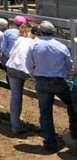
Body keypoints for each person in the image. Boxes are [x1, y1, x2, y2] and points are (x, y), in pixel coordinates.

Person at [26, 21, 77, 153]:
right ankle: (73, 133)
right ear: (53, 31)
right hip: (58, 80)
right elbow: (69, 65)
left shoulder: (34, 46)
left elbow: (29, 64)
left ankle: (49, 143)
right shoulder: (61, 47)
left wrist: (35, 76)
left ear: (41, 32)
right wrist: (65, 75)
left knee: (45, 112)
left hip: (41, 80)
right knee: (72, 104)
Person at [5, 23, 34, 135]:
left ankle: (15, 125)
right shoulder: (34, 42)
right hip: (25, 69)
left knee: (16, 96)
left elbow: (11, 52)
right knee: (44, 93)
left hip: (11, 67)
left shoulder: (19, 39)